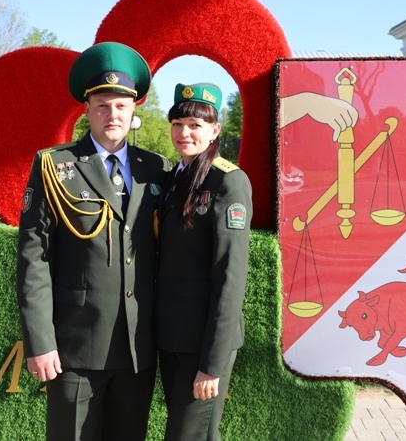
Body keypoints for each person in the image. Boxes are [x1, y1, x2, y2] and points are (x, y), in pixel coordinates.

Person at [16, 42, 170, 441]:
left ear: (134, 110)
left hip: (137, 348)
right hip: (75, 347)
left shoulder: (156, 168)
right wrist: (40, 342)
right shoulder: (54, 166)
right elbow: (34, 259)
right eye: (102, 105)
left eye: (120, 106)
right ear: (86, 110)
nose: (112, 114)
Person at [156, 83, 253, 441]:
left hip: (202, 342)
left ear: (214, 131)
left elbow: (230, 277)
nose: (184, 133)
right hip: (170, 336)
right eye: (178, 124)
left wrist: (212, 364)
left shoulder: (228, 181)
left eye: (195, 125)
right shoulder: (172, 178)